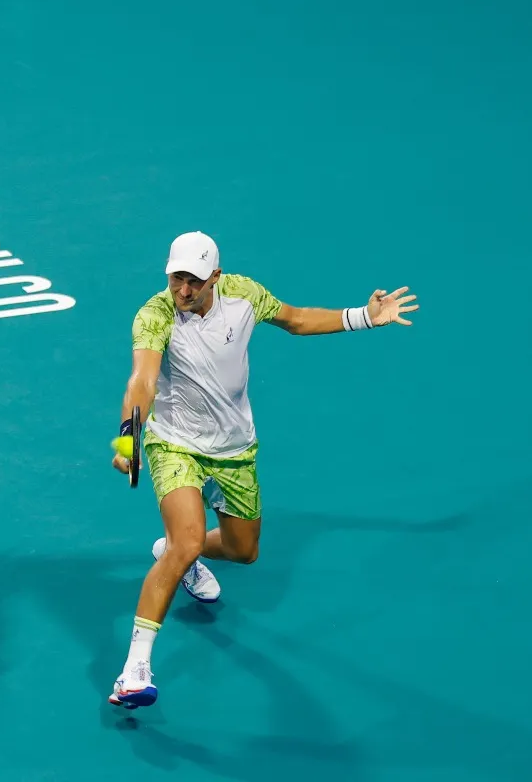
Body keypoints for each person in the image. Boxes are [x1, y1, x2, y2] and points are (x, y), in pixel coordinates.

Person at [106, 231, 420, 709]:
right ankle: (135, 670)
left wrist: (364, 317)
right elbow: (142, 380)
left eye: (192, 280)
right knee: (188, 539)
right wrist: (128, 437)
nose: (182, 290)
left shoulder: (243, 294)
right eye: (175, 278)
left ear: (215, 276)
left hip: (234, 448)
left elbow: (294, 320)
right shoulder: (155, 315)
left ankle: (175, 556)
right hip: (175, 443)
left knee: (242, 550)